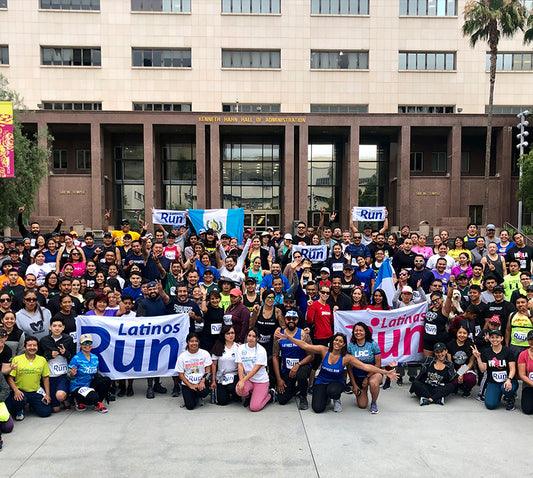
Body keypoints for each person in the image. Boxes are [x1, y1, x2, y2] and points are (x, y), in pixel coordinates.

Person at [274, 330, 397, 413]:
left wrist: (385, 372)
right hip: (321, 381)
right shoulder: (324, 350)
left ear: (344, 345)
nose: (337, 343)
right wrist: (289, 337)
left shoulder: (347, 358)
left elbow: (366, 367)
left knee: (333, 390)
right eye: (336, 340)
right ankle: (326, 396)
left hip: (336, 383)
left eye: (340, 341)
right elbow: (305, 346)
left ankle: (335, 398)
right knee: (317, 409)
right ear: (333, 341)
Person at [272, 311, 313, 410]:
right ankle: (297, 389)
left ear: (297, 320)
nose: (291, 321)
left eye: (294, 319)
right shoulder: (279, 335)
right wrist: (279, 379)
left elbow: (311, 356)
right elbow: (275, 356)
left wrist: (298, 365)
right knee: (282, 400)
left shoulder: (303, 334)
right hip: (287, 370)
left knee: (301, 376)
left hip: (302, 366)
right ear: (285, 320)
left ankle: (303, 396)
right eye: (288, 318)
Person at [6, 336, 52, 420]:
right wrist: (16, 391)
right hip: (21, 391)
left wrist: (47, 395)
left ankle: (33, 405)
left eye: (34, 345)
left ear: (37, 347)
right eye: (29, 345)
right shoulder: (17, 359)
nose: (32, 348)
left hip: (36, 391)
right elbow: (10, 378)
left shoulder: (42, 360)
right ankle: (19, 410)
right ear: (25, 347)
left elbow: (45, 378)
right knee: (18, 401)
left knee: (46, 412)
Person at [472, 329, 518, 411]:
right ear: (489, 339)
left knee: (506, 389)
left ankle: (511, 398)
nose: (495, 339)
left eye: (497, 337)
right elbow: (483, 370)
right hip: (494, 381)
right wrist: (478, 358)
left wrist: (509, 380)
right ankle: (498, 394)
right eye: (492, 337)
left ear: (502, 338)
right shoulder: (486, 352)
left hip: (507, 380)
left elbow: (512, 368)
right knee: (490, 405)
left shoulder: (507, 351)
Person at [39, 318, 76, 412]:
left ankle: (65, 397)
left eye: (60, 326)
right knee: (55, 409)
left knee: (60, 396)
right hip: (49, 376)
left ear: (63, 328)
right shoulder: (44, 340)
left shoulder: (68, 339)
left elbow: (73, 357)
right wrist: (49, 355)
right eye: (54, 326)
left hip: (63, 374)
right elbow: (39, 358)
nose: (57, 328)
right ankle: (61, 400)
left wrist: (65, 353)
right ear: (50, 327)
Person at [68, 333, 110, 413]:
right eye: (84, 343)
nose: (87, 345)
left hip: (89, 384)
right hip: (77, 386)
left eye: (89, 343)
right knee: (93, 397)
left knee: (106, 380)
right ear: (80, 345)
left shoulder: (95, 357)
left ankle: (98, 403)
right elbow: (68, 376)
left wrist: (106, 385)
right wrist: (71, 374)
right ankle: (78, 400)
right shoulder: (76, 359)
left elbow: (96, 374)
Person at [235, 327, 274, 412]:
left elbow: (255, 369)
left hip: (260, 381)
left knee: (254, 407)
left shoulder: (261, 350)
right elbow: (240, 365)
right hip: (248, 380)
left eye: (253, 336)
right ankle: (248, 397)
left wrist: (242, 381)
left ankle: (270, 395)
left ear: (258, 338)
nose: (251, 338)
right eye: (249, 335)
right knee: (239, 389)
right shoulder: (240, 348)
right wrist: (241, 380)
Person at [347, 322, 383, 414]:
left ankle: (374, 402)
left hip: (373, 374)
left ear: (365, 332)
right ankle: (363, 391)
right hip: (357, 376)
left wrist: (367, 377)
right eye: (356, 330)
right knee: (362, 405)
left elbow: (378, 364)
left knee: (373, 383)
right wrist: (354, 384)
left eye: (361, 330)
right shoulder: (350, 346)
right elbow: (349, 368)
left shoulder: (373, 344)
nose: (358, 332)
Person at [176, 332, 212, 410]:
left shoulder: (205, 353)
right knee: (190, 406)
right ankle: (193, 395)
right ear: (188, 342)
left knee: (203, 392)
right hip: (188, 383)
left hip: (201, 381)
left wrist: (202, 381)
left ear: (198, 342)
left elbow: (208, 370)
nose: (194, 343)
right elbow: (181, 374)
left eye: (196, 341)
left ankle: (199, 395)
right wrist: (190, 385)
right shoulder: (182, 357)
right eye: (191, 341)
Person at [210, 325, 240, 406]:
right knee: (222, 401)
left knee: (232, 387)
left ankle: (235, 394)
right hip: (221, 376)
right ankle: (226, 393)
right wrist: (213, 380)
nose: (231, 335)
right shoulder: (218, 346)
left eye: (232, 333)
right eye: (228, 333)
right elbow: (214, 364)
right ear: (223, 334)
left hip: (234, 375)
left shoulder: (238, 347)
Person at [446, 325, 477, 397]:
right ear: (456, 333)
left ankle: (466, 388)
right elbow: (449, 362)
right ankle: (456, 386)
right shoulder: (450, 344)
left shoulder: (471, 345)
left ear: (468, 334)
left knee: (470, 379)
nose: (462, 335)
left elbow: (470, 363)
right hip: (453, 369)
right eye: (460, 333)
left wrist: (461, 372)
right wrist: (457, 374)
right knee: (451, 381)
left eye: (464, 333)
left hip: (466, 369)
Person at [505, 295, 533, 360]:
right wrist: (507, 345)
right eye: (518, 303)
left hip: (529, 346)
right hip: (515, 346)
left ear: (527, 303)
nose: (520, 304)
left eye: (523, 302)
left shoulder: (531, 313)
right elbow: (508, 330)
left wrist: (529, 316)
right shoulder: (512, 314)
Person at [517, 330, 533, 415]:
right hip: (528, 385)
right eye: (531, 339)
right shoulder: (523, 354)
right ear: (528, 341)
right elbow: (522, 375)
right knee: (528, 410)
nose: (532, 341)